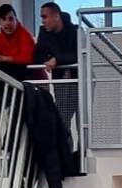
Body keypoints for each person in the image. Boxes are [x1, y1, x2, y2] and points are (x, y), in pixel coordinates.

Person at [34, 2, 79, 140]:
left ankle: (82, 149)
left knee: (82, 118)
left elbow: (77, 54)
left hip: (80, 78)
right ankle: (66, 149)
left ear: (56, 16)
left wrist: (57, 59)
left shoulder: (75, 30)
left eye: (45, 17)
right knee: (62, 118)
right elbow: (38, 55)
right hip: (61, 80)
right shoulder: (44, 32)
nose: (43, 21)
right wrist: (51, 59)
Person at [0, 4, 35, 83]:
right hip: (11, 77)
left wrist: (3, 58)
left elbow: (26, 58)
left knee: (5, 66)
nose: (7, 23)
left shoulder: (25, 35)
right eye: (4, 19)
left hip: (29, 77)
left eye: (10, 19)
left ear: (16, 20)